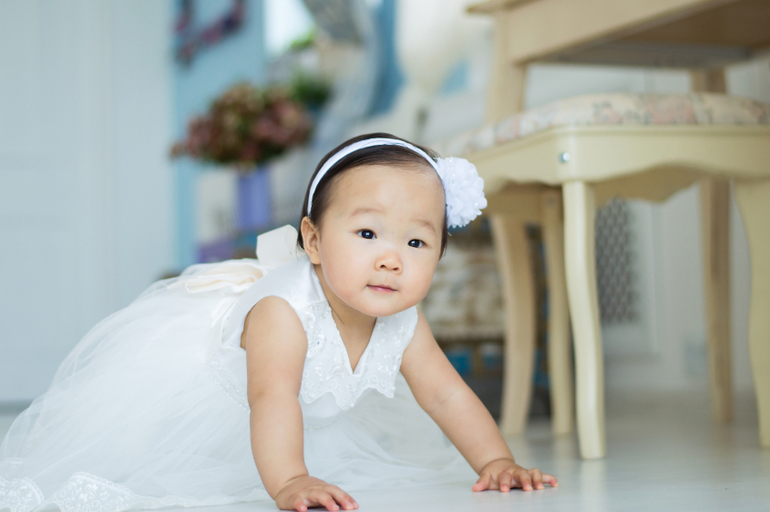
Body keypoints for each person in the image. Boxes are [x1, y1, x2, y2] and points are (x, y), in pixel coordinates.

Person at [0, 133, 557, 512]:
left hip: (288, 422)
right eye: (367, 234)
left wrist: (496, 461)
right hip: (215, 405)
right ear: (313, 240)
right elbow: (272, 398)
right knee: (139, 469)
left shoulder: (405, 320)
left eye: (416, 242)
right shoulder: (283, 312)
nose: (392, 259)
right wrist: (291, 479)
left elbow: (447, 395)